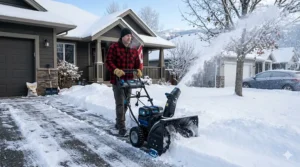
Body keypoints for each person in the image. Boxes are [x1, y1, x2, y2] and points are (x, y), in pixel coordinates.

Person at [105, 27, 143, 136]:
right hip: (117, 80)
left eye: (130, 36)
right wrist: (115, 70)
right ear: (122, 37)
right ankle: (122, 126)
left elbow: (138, 63)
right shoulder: (114, 47)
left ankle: (118, 121)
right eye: (127, 36)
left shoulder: (133, 49)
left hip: (129, 81)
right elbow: (108, 61)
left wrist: (139, 70)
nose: (129, 38)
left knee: (126, 103)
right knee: (120, 103)